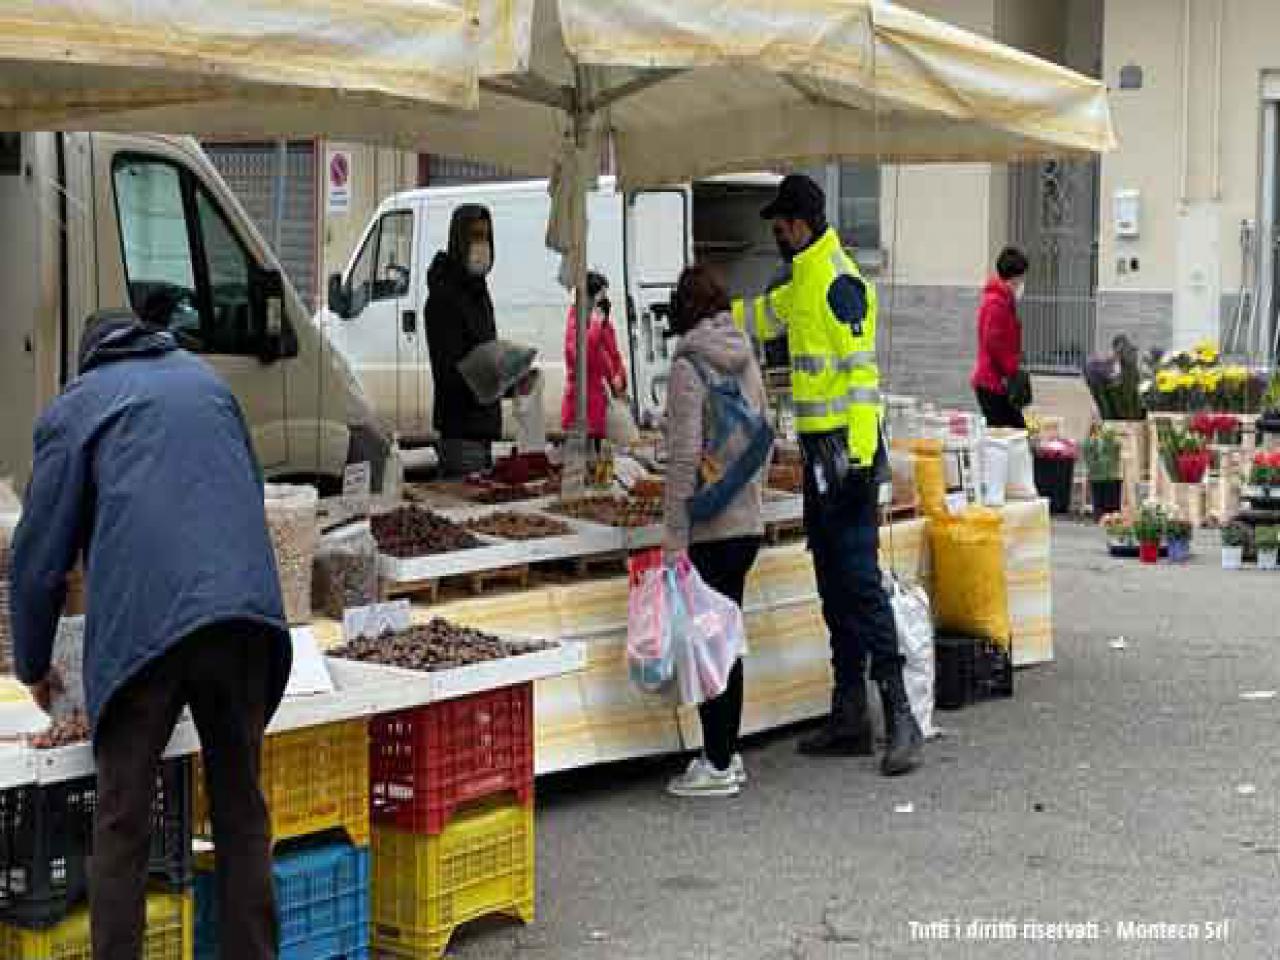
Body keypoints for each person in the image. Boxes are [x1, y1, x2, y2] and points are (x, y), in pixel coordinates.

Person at [9, 310, 292, 960]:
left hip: (147, 628)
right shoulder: (208, 385)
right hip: (244, 620)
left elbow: (37, 558)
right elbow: (244, 496)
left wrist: (31, 663)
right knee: (241, 809)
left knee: (123, 821)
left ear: (90, 360)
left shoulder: (77, 407)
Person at [733, 174, 922, 777]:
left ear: (801, 224)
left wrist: (860, 461)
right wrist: (705, 310)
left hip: (848, 458)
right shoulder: (804, 278)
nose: (777, 237)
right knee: (832, 584)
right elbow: (765, 316)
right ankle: (849, 715)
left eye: (780, 227)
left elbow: (864, 381)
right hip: (820, 457)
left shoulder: (840, 282)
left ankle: (899, 717)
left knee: (861, 585)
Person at [662, 265, 767, 798]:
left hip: (710, 525)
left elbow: (683, 459)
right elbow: (764, 433)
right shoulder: (746, 354)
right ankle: (729, 752)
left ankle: (718, 761)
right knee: (726, 640)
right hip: (746, 521)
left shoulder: (688, 367)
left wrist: (674, 541)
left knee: (709, 646)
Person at [425, 204, 502, 479]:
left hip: (483, 431)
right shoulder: (444, 297)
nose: (482, 244)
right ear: (459, 239)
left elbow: (484, 350)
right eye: (475, 236)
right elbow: (449, 373)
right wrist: (496, 376)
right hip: (460, 433)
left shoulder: (478, 291)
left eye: (485, 236)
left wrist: (511, 378)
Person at [561, 271, 628, 443]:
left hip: (599, 406)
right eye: (600, 298)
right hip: (580, 408)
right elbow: (581, 357)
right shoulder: (575, 323)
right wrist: (596, 325)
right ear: (588, 298)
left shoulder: (603, 324)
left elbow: (614, 355)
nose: (604, 303)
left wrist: (618, 375)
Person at [971, 246, 1030, 429]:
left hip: (997, 381)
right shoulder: (997, 303)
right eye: (1022, 278)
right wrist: (1011, 369)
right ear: (1014, 277)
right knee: (1011, 436)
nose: (1022, 283)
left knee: (1010, 436)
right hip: (993, 383)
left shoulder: (1002, 300)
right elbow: (993, 342)